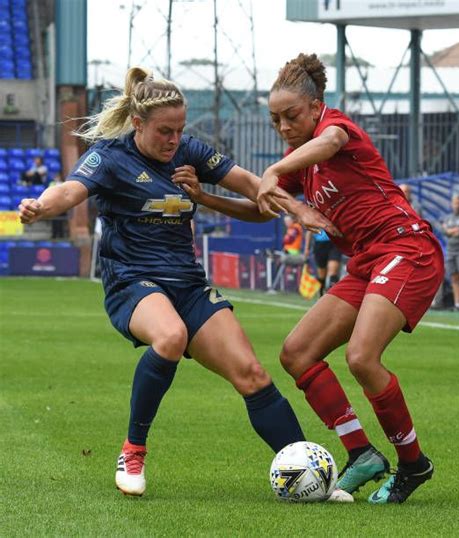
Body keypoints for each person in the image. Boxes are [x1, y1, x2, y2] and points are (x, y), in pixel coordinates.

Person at [17, 66, 330, 498]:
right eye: (165, 131)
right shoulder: (109, 157)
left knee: (253, 374)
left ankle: (310, 472)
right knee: (170, 337)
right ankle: (133, 450)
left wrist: (269, 204)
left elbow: (260, 201)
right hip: (133, 282)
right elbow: (69, 191)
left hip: (187, 283)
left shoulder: (190, 152)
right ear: (138, 123)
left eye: (180, 130)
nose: (173, 140)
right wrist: (41, 206)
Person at [185, 53, 443, 505]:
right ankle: (361, 452)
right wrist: (206, 196)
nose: (283, 126)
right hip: (367, 261)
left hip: (407, 247)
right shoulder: (298, 162)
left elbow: (328, 143)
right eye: (274, 119)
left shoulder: (335, 130)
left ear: (316, 106)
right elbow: (262, 209)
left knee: (363, 357)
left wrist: (275, 172)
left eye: (291, 116)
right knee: (297, 353)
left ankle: (413, 463)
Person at [304, 229, 342, 296]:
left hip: (334, 242)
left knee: (333, 272)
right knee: (321, 275)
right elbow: (309, 230)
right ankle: (321, 294)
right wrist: (306, 248)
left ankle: (332, 297)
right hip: (320, 245)